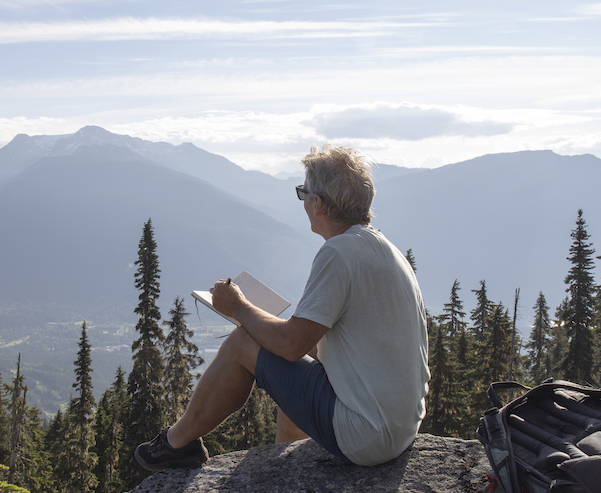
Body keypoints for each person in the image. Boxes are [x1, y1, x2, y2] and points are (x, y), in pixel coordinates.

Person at [135, 145, 429, 469]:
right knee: (295, 363)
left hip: (366, 436)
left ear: (317, 203)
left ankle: (177, 443)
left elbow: (291, 346)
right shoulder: (384, 249)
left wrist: (238, 307)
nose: (303, 200)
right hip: (399, 428)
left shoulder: (340, 254)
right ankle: (285, 465)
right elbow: (323, 347)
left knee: (242, 344)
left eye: (303, 192)